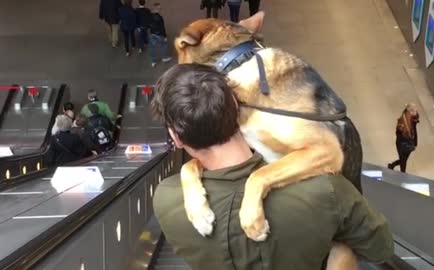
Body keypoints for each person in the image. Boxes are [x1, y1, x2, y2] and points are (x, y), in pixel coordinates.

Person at [152, 64, 393, 270]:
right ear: (236, 106)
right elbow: (381, 248)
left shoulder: (166, 200)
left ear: (177, 138)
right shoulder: (326, 190)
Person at [388, 103, 420, 173]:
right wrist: (405, 141)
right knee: (403, 161)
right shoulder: (402, 121)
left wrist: (415, 142)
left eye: (415, 109)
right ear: (409, 111)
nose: (416, 111)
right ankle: (403, 174)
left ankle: (392, 165)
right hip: (401, 143)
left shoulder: (414, 119)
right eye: (413, 110)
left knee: (403, 160)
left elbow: (414, 130)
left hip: (410, 143)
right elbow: (398, 134)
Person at [149, 3, 172, 67]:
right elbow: (162, 28)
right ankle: (165, 58)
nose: (160, 9)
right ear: (157, 9)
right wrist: (165, 36)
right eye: (159, 8)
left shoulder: (150, 15)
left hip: (153, 33)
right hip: (160, 34)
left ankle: (153, 61)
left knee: (153, 48)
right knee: (164, 45)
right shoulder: (159, 17)